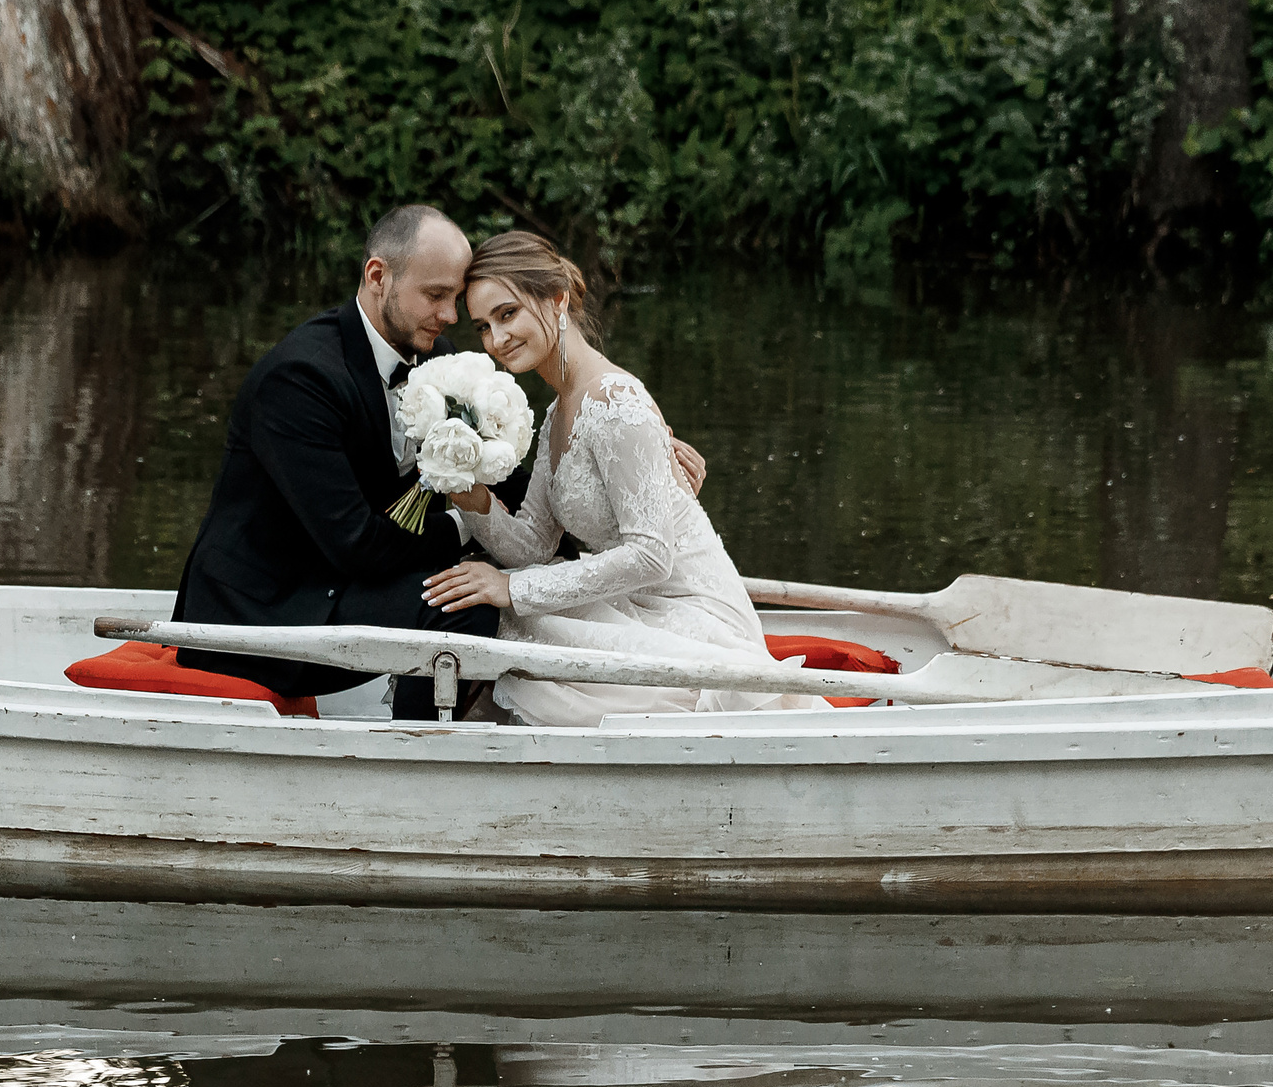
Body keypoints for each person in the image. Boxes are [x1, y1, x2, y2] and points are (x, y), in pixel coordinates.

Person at [172, 205, 705, 721]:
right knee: (465, 603)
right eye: (436, 296)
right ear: (377, 275)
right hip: (270, 608)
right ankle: (419, 750)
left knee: (521, 568)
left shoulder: (435, 354)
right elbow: (355, 544)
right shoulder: (299, 380)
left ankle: (496, 713)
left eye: (455, 299)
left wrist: (630, 466)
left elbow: (504, 478)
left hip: (353, 573)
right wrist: (462, 528)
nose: (450, 316)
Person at [422, 231, 829, 727]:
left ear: (557, 298)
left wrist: (513, 588)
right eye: (483, 326)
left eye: (507, 314)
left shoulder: (614, 402)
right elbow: (531, 545)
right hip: (635, 603)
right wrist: (469, 493)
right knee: (516, 614)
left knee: (523, 615)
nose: (497, 339)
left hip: (692, 615)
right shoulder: (557, 416)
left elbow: (652, 554)